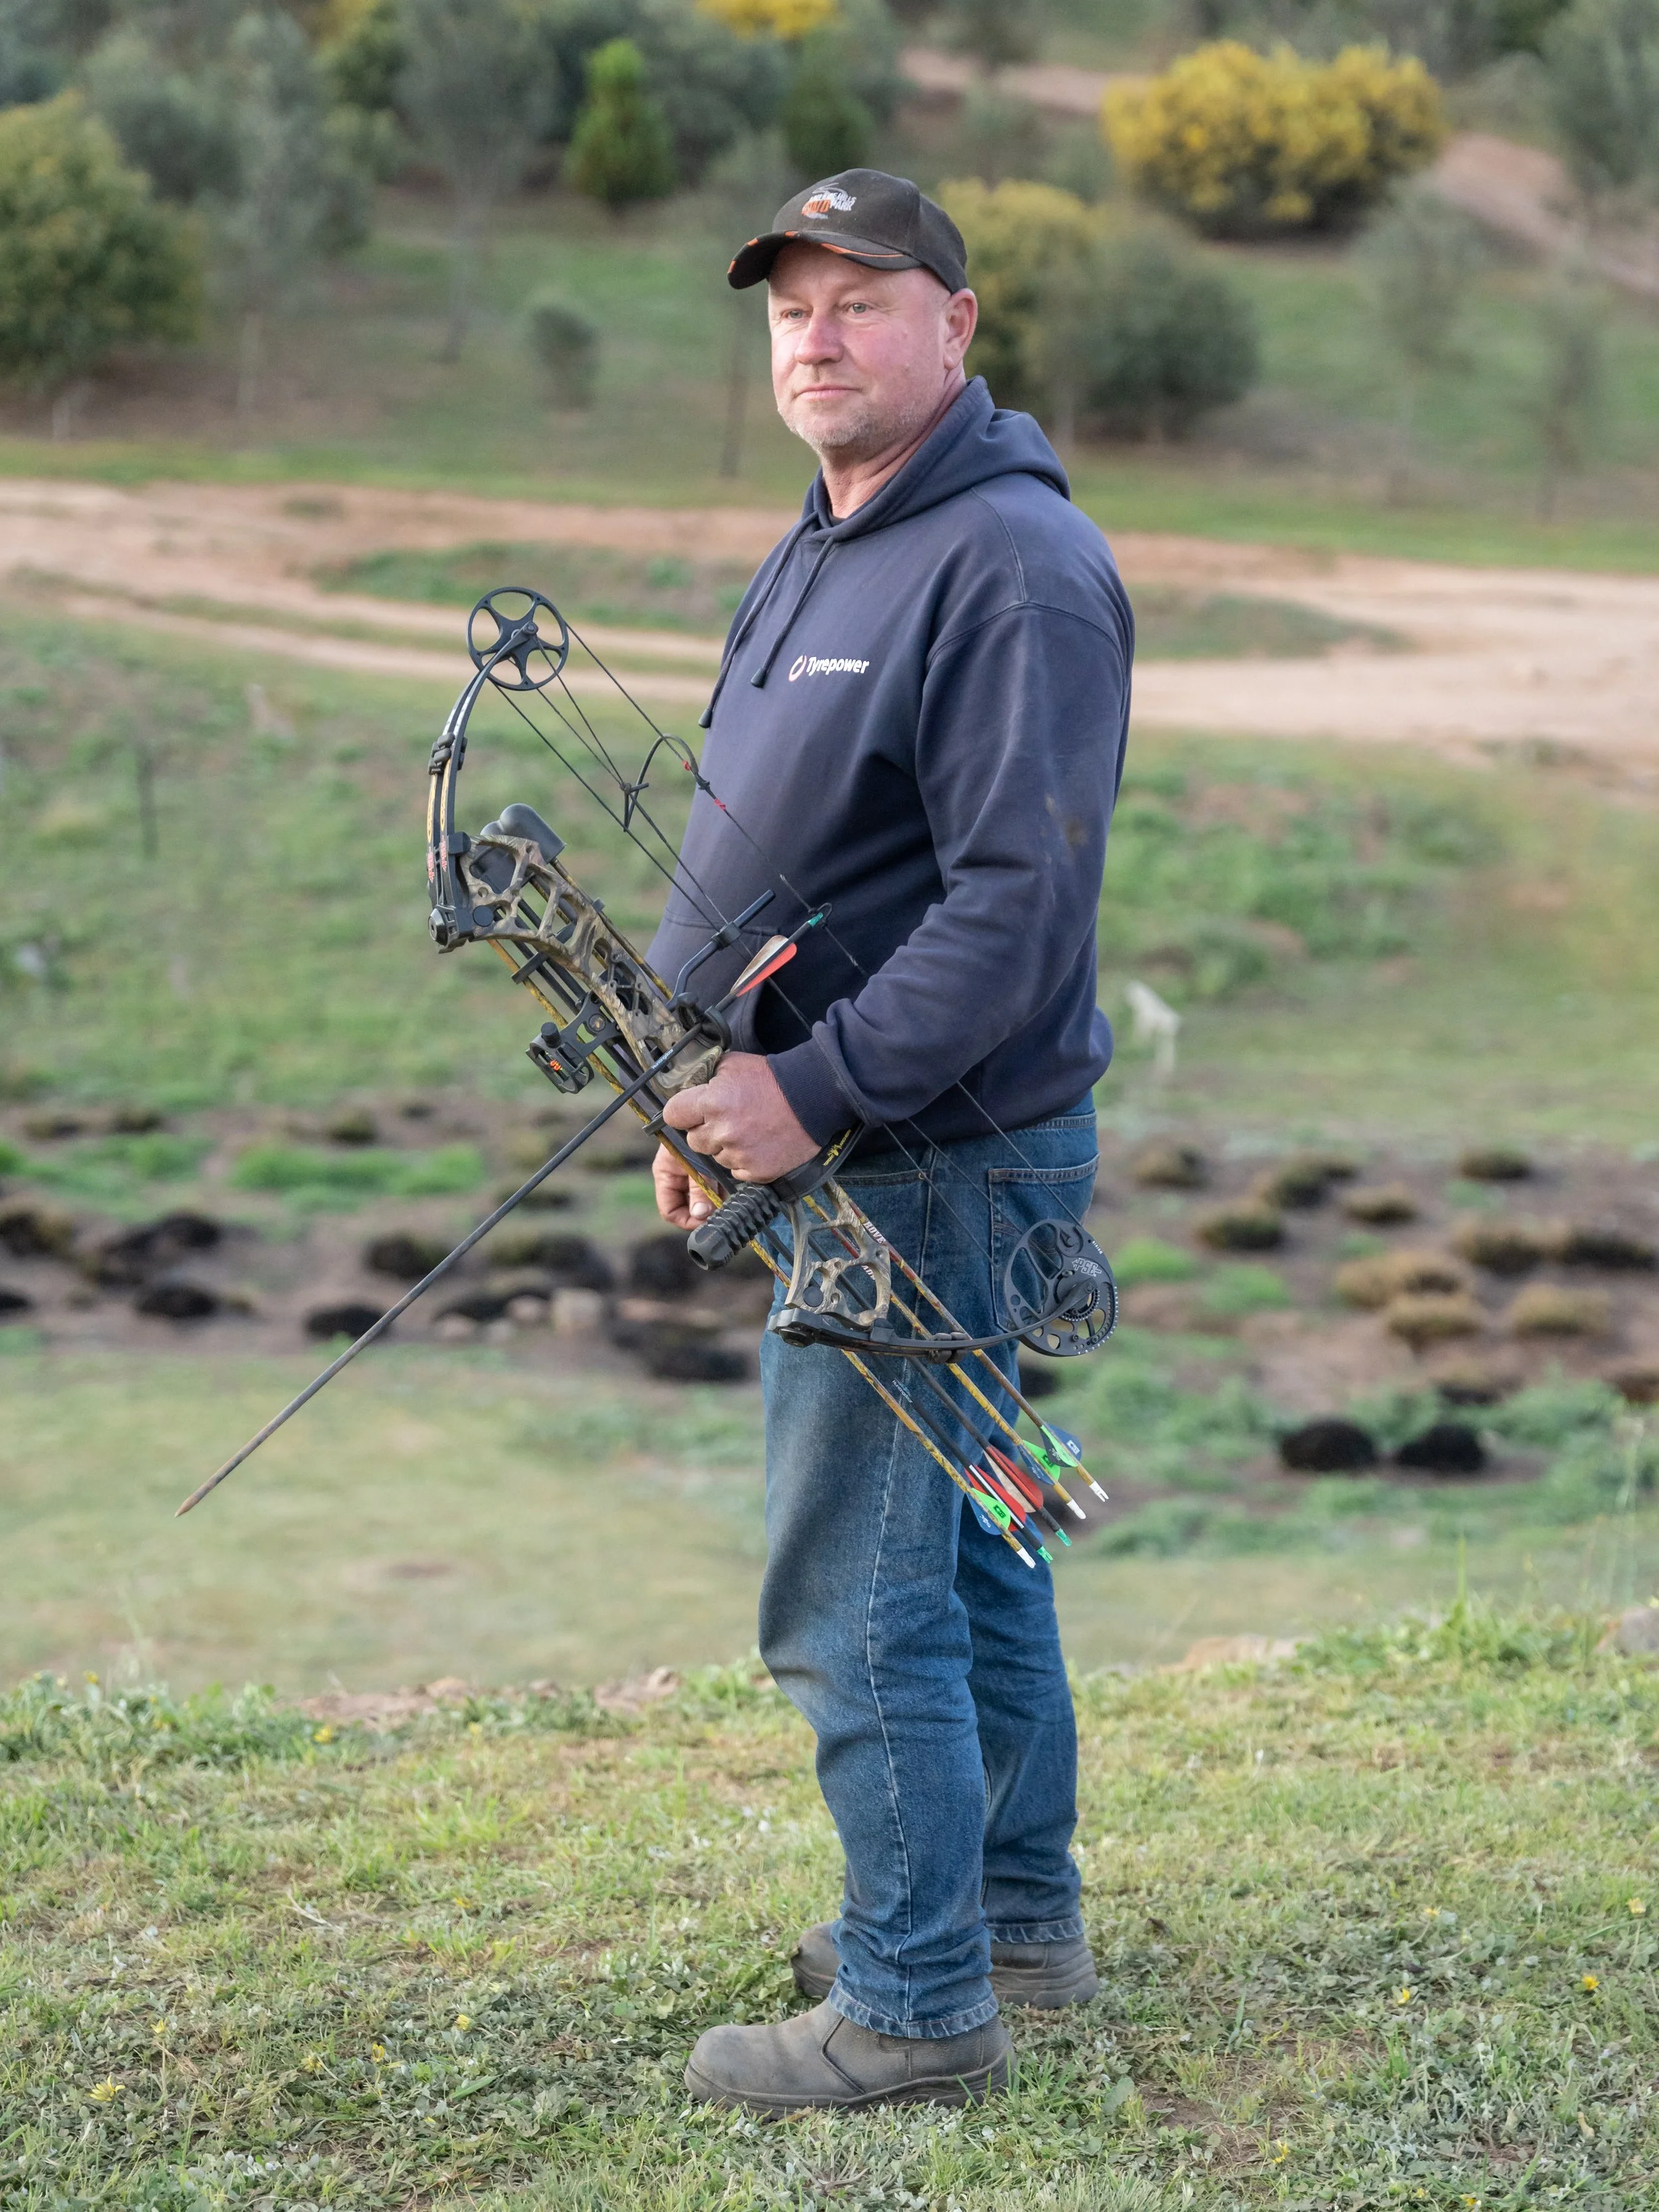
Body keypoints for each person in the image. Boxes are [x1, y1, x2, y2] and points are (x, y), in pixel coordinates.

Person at [646, 169, 1133, 2114]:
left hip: (927, 1158)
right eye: (791, 306)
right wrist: (714, 1088)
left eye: (862, 299)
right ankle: (1011, 1914)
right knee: (974, 1549)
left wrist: (812, 1090)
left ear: (958, 320)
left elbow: (1016, 908)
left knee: (858, 1577)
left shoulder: (1007, 564)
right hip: (833, 1139)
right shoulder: (833, 533)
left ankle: (918, 1999)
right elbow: (794, 856)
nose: (817, 336)